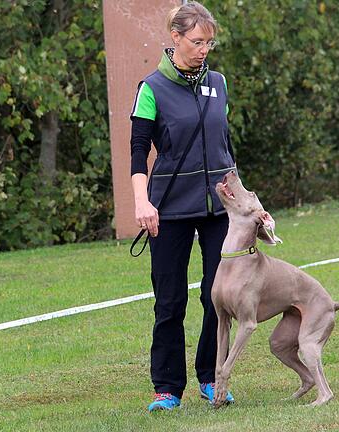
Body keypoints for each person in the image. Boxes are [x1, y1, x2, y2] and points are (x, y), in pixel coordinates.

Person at [129, 1, 238, 411]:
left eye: (209, 42)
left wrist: (248, 203)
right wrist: (143, 203)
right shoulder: (151, 88)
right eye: (196, 42)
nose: (204, 49)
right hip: (169, 210)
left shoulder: (219, 84)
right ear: (175, 39)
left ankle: (212, 378)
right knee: (169, 300)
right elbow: (138, 152)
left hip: (218, 210)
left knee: (218, 296)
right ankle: (167, 388)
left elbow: (225, 148)